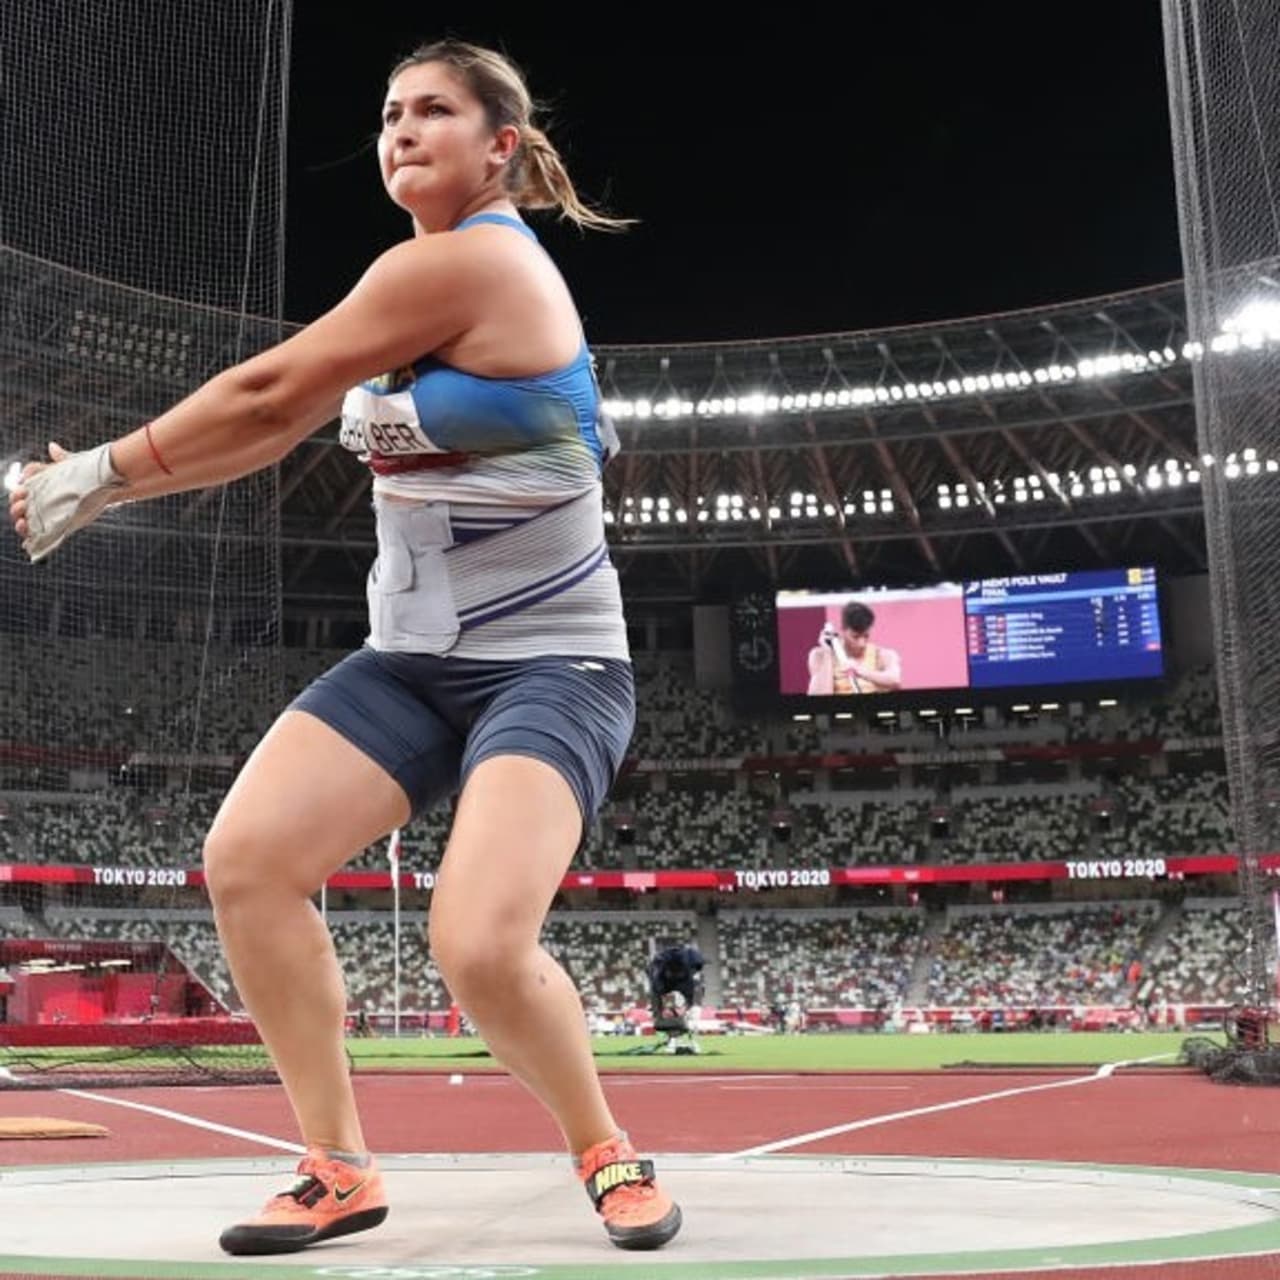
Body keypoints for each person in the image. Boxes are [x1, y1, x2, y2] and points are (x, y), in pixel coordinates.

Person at [9, 38, 680, 1257]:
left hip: (550, 662)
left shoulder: (475, 265)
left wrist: (104, 472)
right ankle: (336, 1166)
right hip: (411, 658)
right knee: (249, 860)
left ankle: (602, 1146)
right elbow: (267, 429)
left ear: (502, 147)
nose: (401, 130)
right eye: (387, 113)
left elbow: (270, 394)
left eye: (434, 111)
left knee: (476, 940)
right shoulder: (411, 279)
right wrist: (110, 490)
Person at [806, 600, 902, 695]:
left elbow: (895, 680)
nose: (861, 643)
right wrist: (827, 653)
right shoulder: (818, 655)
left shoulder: (883, 655)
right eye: (855, 637)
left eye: (866, 636)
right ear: (843, 630)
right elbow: (821, 695)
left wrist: (860, 671)